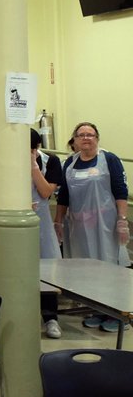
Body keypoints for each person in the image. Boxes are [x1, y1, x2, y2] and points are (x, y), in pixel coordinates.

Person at [56, 122, 128, 331]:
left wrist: (122, 220)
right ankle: (96, 310)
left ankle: (117, 314)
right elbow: (64, 196)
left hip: (106, 225)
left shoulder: (109, 159)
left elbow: (120, 190)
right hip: (79, 227)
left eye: (90, 135)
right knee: (88, 270)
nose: (86, 138)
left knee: (109, 267)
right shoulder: (69, 164)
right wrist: (58, 221)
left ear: (97, 138)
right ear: (75, 139)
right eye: (81, 135)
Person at [31, 127, 65, 338]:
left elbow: (45, 192)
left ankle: (51, 318)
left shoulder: (50, 161)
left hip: (41, 223)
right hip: (16, 223)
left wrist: (33, 167)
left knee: (46, 270)